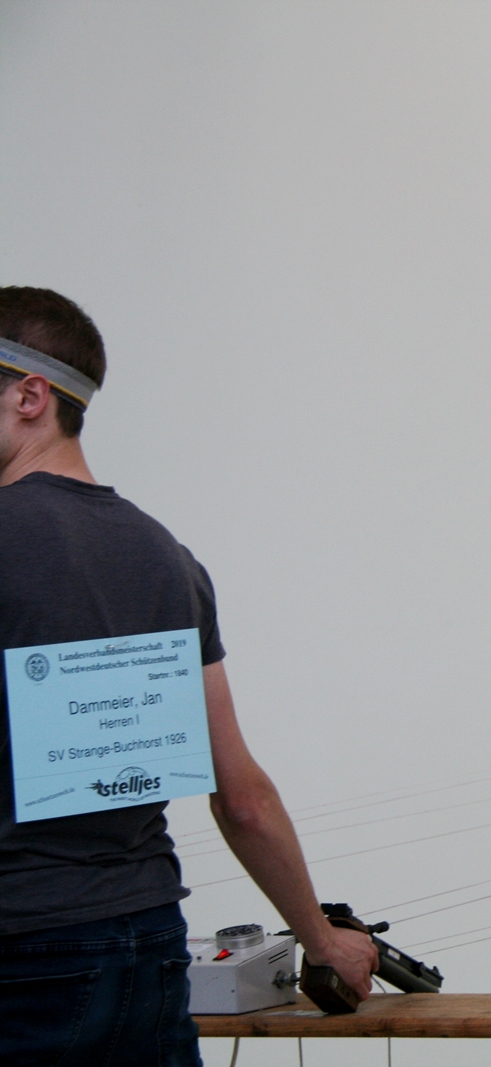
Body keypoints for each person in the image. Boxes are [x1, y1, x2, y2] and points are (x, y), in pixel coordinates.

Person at [0, 287, 379, 1065]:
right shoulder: (169, 560)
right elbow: (242, 797)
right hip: (147, 946)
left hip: (19, 955)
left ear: (29, 395)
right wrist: (322, 941)